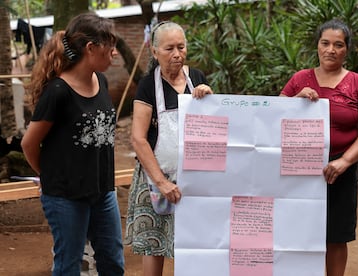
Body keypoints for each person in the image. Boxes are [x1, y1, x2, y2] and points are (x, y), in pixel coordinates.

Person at [20, 12, 124, 275]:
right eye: (110, 47)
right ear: (91, 48)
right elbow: (29, 144)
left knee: (113, 262)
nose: (114, 53)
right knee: (69, 264)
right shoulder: (58, 92)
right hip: (65, 196)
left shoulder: (100, 81)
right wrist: (48, 174)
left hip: (103, 191)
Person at [279, 19, 358, 276]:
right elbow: (273, 118)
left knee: (336, 235)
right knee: (300, 231)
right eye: (325, 43)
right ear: (317, 46)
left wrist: (345, 161)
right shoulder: (300, 79)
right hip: (299, 169)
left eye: (338, 44)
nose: (330, 50)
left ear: (347, 50)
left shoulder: (357, 83)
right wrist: (295, 101)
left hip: (340, 170)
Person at [124, 21, 213, 276]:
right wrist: (161, 181)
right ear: (154, 52)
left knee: (195, 242)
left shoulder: (196, 78)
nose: (177, 54)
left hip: (194, 178)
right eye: (169, 48)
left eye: (181, 47)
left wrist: (209, 96)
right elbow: (139, 139)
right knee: (155, 244)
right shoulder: (147, 85)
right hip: (156, 177)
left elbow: (212, 125)